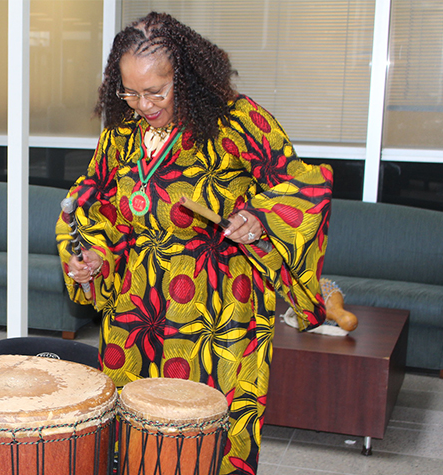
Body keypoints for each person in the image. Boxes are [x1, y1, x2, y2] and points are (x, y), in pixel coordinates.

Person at [56, 12, 331, 475]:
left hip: (217, 309)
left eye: (155, 91)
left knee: (209, 430)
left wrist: (258, 220)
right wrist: (92, 256)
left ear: (184, 75)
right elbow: (93, 203)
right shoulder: (121, 135)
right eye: (130, 92)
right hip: (137, 308)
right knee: (134, 426)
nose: (142, 104)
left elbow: (303, 185)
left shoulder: (238, 121)